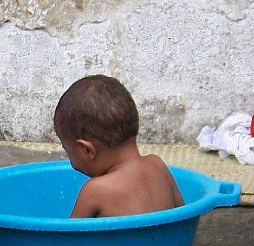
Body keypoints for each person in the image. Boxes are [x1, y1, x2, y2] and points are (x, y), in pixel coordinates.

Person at [54, 75, 184, 218]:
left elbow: (69, 238)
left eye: (67, 151)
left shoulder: (94, 191)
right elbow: (182, 215)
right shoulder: (158, 165)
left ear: (87, 150)